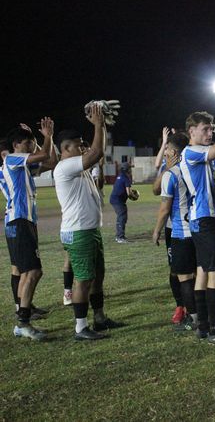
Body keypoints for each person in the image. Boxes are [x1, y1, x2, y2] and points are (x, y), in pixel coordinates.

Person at [54, 104, 124, 340]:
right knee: (83, 279)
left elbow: (95, 157)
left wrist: (100, 128)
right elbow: (96, 152)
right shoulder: (65, 166)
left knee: (97, 276)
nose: (82, 147)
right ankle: (81, 328)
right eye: (78, 145)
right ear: (66, 148)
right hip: (79, 231)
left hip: (89, 230)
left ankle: (100, 319)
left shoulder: (77, 168)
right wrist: (98, 124)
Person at [179, 100, 215, 346]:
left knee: (203, 271)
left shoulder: (198, 155)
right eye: (205, 129)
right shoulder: (192, 152)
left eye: (211, 129)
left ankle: (203, 327)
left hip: (203, 218)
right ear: (191, 131)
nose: (209, 133)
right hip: (203, 219)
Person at [3, 118, 54, 340]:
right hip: (20, 220)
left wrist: (44, 140)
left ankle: (23, 317)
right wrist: (47, 136)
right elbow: (43, 155)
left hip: (22, 221)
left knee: (24, 271)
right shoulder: (13, 159)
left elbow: (51, 161)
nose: (31, 147)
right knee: (33, 271)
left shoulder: (21, 166)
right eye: (28, 143)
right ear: (16, 145)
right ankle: (23, 322)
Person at [152, 132, 198, 331]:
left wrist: (156, 231)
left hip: (179, 231)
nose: (165, 153)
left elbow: (164, 209)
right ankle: (193, 310)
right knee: (197, 273)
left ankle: (193, 316)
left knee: (184, 276)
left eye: (167, 149)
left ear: (174, 152)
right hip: (199, 229)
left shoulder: (172, 174)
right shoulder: (195, 167)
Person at [152, 127, 185, 324]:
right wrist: (166, 169)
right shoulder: (168, 169)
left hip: (192, 225)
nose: (165, 152)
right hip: (175, 227)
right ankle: (180, 306)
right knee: (175, 269)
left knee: (192, 269)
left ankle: (193, 307)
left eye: (166, 149)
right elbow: (156, 190)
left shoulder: (195, 164)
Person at [109, 162, 133, 243]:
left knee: (121, 217)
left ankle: (119, 235)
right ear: (127, 169)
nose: (130, 170)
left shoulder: (119, 176)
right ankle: (120, 237)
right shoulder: (126, 178)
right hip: (118, 200)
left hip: (115, 199)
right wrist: (134, 196)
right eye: (129, 168)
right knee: (122, 217)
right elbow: (129, 193)